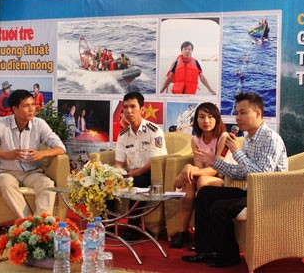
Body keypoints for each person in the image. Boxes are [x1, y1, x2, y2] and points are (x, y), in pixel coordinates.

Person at [182, 92, 288, 268]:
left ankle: (228, 256)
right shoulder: (248, 139)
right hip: (250, 191)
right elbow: (241, 172)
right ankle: (205, 249)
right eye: (237, 113)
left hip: (267, 196)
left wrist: (236, 152)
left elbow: (262, 175)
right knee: (206, 194)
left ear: (258, 113)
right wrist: (213, 162)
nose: (237, 118)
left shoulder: (270, 139)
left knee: (219, 208)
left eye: (243, 113)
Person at [0, 89, 66, 218]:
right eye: (26, 106)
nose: (32, 109)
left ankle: (42, 222)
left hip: (32, 173)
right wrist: (6, 154)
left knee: (47, 184)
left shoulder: (39, 124)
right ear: (15, 109)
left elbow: (61, 148)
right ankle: (27, 223)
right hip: (6, 172)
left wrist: (42, 153)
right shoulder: (1, 124)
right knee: (6, 184)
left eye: (33, 105)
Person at [170, 102, 236, 249]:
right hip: (206, 177)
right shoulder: (195, 140)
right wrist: (188, 171)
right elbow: (199, 168)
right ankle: (183, 232)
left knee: (202, 180)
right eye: (202, 117)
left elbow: (217, 170)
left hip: (227, 179)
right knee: (190, 182)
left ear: (217, 119)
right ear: (196, 120)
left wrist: (186, 170)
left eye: (210, 117)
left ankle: (204, 235)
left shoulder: (224, 137)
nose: (206, 121)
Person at [114, 91, 168, 239]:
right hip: (131, 173)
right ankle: (109, 223)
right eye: (125, 107)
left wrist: (132, 175)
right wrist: (117, 175)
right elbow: (118, 162)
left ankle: (133, 225)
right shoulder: (123, 134)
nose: (129, 111)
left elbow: (155, 161)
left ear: (142, 110)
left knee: (138, 180)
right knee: (108, 181)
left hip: (151, 173)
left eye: (133, 107)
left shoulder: (154, 131)